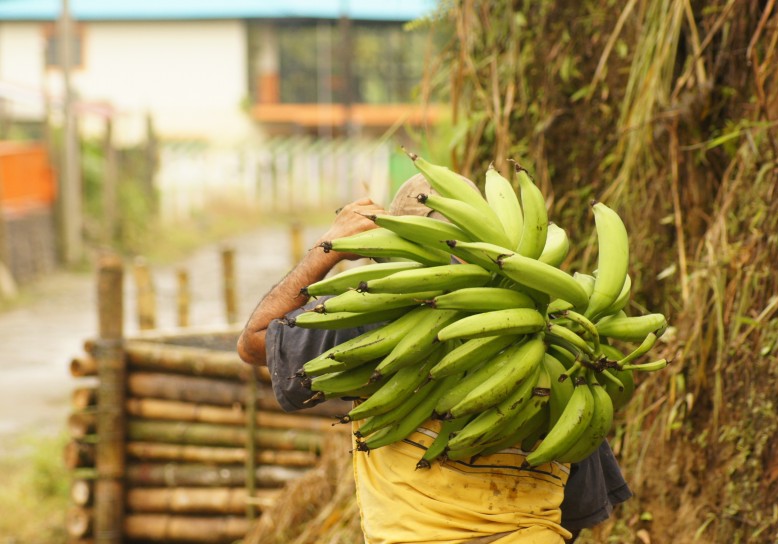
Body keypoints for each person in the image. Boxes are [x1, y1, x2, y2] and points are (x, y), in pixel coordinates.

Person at [237, 175, 631, 543]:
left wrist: (327, 248)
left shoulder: (377, 319)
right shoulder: (567, 350)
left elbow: (255, 342)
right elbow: (578, 509)